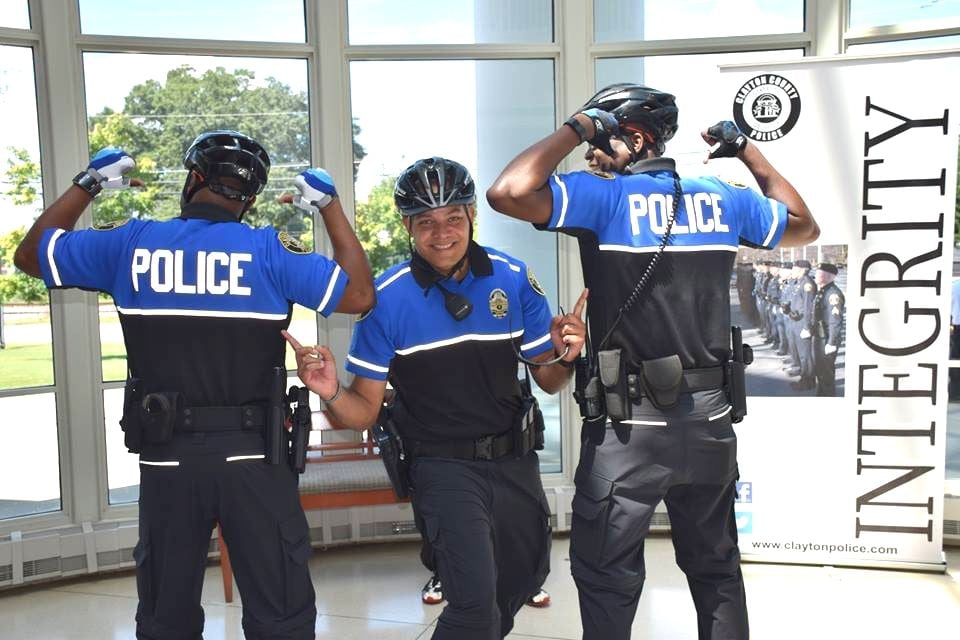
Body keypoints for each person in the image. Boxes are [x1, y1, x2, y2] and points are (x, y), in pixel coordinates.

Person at [486, 83, 818, 640]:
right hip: (710, 425)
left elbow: (509, 191)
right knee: (717, 574)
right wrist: (746, 151)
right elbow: (804, 224)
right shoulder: (724, 197)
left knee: (605, 575)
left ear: (633, 139)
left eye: (599, 139)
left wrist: (575, 126)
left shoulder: (606, 197)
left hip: (629, 432)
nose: (590, 152)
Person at [13, 132, 375, 639]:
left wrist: (89, 182)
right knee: (281, 616)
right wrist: (330, 208)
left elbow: (32, 256)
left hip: (168, 459)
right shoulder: (270, 250)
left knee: (167, 618)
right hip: (255, 459)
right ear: (249, 199)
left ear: (194, 179)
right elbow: (359, 293)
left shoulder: (131, 243)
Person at [283, 156, 586, 640]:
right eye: (426, 222)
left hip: (514, 463)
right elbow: (359, 412)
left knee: (518, 583)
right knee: (471, 607)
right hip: (442, 469)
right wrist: (331, 391)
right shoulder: (386, 298)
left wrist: (568, 355)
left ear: (471, 217)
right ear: (408, 225)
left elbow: (547, 380)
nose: (441, 233)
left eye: (452, 218)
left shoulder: (511, 277)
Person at [812, 263, 845, 397]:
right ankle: (822, 396)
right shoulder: (823, 290)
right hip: (820, 336)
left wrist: (831, 342)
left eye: (820, 274)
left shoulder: (833, 294)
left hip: (826, 338)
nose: (816, 276)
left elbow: (834, 321)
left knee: (826, 373)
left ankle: (827, 398)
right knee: (820, 371)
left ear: (830, 276)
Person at [788, 259, 817, 391]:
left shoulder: (807, 284)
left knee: (805, 355)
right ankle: (804, 377)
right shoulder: (799, 282)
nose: (792, 271)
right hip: (795, 321)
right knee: (800, 353)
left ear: (802, 270)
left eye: (794, 269)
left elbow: (808, 307)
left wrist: (807, 327)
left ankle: (808, 381)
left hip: (802, 324)